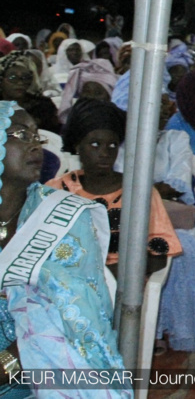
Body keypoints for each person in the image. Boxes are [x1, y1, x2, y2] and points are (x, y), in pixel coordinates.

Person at [0, 101, 129, 398]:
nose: (35, 146)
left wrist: (6, 363)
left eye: (37, 137)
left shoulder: (63, 217)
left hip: (37, 371)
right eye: (21, 135)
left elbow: (69, 318)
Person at [46, 98, 183, 279]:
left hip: (123, 287)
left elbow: (160, 255)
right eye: (95, 144)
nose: (104, 153)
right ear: (78, 146)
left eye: (112, 145)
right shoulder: (57, 190)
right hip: (65, 285)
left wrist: (110, 275)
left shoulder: (138, 193)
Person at [0, 52, 60, 133]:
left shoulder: (43, 106)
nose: (20, 83)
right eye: (13, 77)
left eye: (25, 78)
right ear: (1, 79)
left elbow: (53, 136)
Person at [57, 58, 118, 124]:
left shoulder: (117, 120)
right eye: (86, 92)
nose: (92, 97)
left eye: (98, 93)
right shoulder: (73, 119)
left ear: (109, 95)